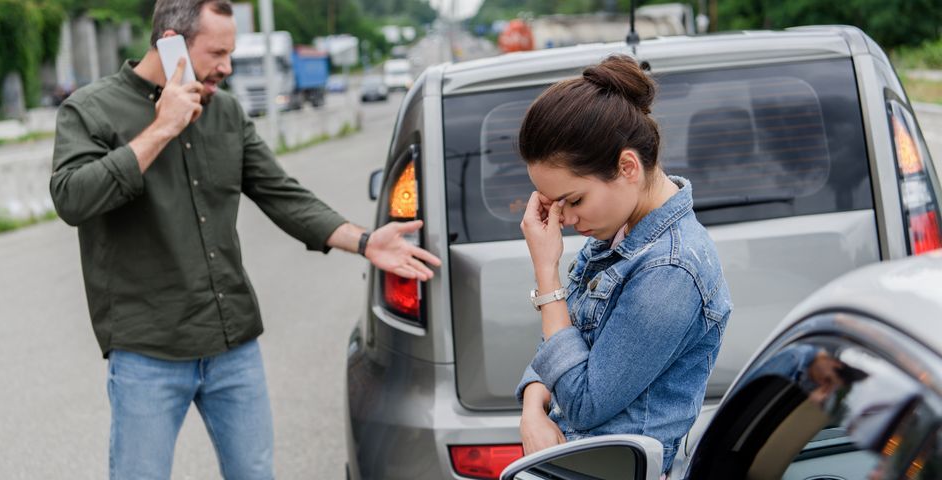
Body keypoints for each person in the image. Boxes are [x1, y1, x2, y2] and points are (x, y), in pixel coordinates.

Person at [49, 1, 441, 478]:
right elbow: (72, 198)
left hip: (232, 344)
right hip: (147, 351)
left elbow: (283, 195)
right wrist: (162, 128)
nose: (227, 67)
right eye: (218, 53)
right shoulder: (90, 109)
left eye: (230, 53)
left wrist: (365, 241)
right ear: (170, 42)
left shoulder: (227, 113)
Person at [515, 55, 732, 473]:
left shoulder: (671, 270)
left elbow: (582, 402)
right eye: (555, 205)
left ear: (627, 166)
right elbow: (565, 340)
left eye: (574, 201)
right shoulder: (621, 234)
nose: (567, 221)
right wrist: (531, 408)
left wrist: (547, 273)